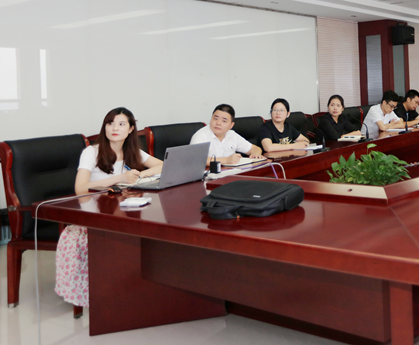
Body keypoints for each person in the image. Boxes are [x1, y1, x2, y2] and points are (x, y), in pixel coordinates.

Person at [56, 107, 164, 307]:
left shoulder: (132, 151)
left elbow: (163, 165)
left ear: (130, 129)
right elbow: (80, 187)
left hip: (121, 210)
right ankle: (110, 294)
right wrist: (120, 178)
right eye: (110, 123)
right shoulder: (92, 152)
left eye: (121, 124)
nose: (115, 128)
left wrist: (140, 175)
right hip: (95, 214)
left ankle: (139, 289)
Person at [190, 104, 264, 166]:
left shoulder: (232, 135)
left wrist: (256, 154)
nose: (218, 123)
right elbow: (196, 160)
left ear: (231, 125)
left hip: (229, 173)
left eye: (224, 121)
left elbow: (254, 148)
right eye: (215, 118)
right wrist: (226, 160)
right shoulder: (201, 135)